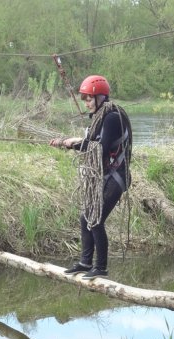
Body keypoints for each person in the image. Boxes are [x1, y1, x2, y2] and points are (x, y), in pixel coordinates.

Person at [50, 75, 132, 280]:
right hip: (106, 176)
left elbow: (99, 149)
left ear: (101, 97)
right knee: (86, 218)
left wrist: (71, 144)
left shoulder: (112, 117)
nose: (86, 102)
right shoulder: (101, 117)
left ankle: (101, 267)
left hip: (116, 177)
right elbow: (93, 141)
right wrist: (69, 142)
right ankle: (85, 263)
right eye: (84, 98)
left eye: (89, 98)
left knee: (95, 220)